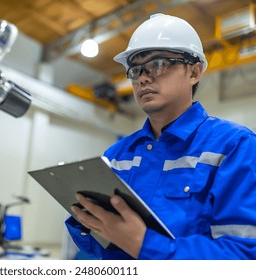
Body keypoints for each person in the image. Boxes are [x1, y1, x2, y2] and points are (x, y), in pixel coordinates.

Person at [65, 13, 256, 259]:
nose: (143, 78)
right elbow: (99, 251)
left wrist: (143, 244)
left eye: (157, 64)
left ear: (194, 72)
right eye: (135, 70)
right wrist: (86, 221)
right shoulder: (116, 155)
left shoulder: (235, 146)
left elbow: (243, 256)